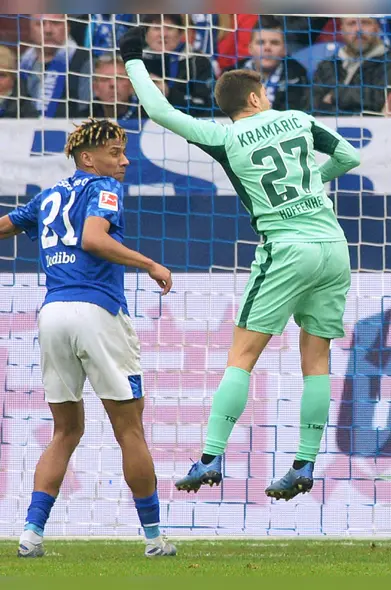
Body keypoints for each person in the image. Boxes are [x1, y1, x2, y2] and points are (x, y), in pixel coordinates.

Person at [120, 26, 362, 499]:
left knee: (242, 358)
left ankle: (210, 457)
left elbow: (160, 111)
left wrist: (133, 58)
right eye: (264, 94)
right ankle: (304, 465)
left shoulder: (224, 136)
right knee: (316, 362)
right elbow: (349, 156)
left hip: (286, 248)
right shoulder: (296, 118)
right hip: (334, 247)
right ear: (254, 97)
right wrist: (312, 180)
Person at [0, 118, 175, 558]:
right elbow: (94, 239)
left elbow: (6, 224)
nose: (124, 159)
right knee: (130, 429)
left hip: (53, 313)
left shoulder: (49, 194)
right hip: (97, 312)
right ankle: (154, 540)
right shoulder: (103, 189)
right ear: (88, 158)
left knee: (65, 431)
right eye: (115, 152)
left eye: (123, 151)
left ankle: (30, 536)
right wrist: (150, 263)